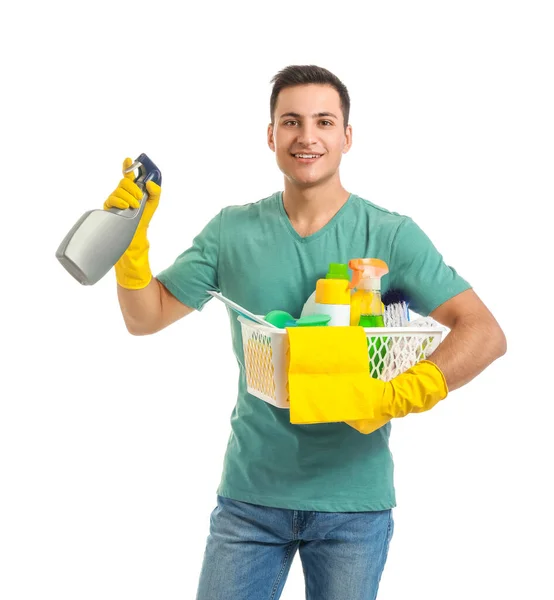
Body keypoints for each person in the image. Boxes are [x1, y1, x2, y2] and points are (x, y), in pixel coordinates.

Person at [104, 65, 507, 600]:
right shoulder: (232, 231)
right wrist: (129, 248)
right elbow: (145, 317)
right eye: (291, 121)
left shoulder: (390, 234)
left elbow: (485, 332)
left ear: (346, 136)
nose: (307, 136)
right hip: (251, 498)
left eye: (324, 121)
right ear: (271, 135)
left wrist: (403, 392)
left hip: (352, 504)